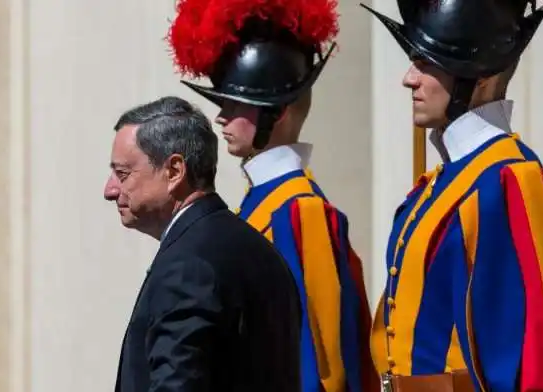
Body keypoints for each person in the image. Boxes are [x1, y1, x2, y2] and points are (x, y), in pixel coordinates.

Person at [360, 1, 543, 391]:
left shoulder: (510, 183)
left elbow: (533, 363)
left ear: (479, 77)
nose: (409, 79)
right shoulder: (439, 184)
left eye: (428, 64)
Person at [166, 1, 379, 392]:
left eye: (234, 102)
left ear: (275, 112)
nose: (221, 117)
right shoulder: (260, 205)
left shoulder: (299, 212)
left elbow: (318, 364)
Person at [103, 96, 301, 392]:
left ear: (174, 171)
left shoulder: (188, 266)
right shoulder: (255, 248)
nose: (110, 190)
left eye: (123, 174)